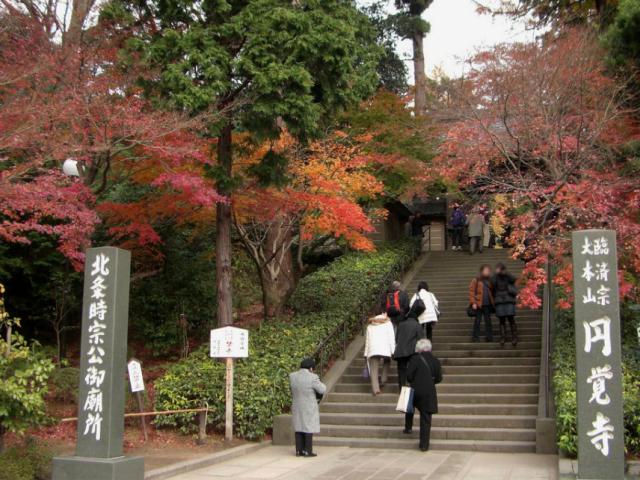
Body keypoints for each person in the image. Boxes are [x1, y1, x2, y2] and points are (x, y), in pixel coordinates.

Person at [406, 339, 443, 451]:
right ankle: (424, 445)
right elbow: (439, 378)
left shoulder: (414, 359)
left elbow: (409, 376)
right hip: (428, 392)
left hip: (416, 390)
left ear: (419, 349)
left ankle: (408, 427)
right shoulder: (435, 361)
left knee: (409, 406)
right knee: (426, 418)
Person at [290, 358, 326, 457]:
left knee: (299, 426)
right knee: (308, 427)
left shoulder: (292, 376)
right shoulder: (313, 377)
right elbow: (322, 389)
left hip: (297, 404)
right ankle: (308, 451)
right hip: (309, 405)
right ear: (311, 368)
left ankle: (298, 451)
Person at [394, 301, 425, 389]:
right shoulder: (417, 325)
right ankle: (412, 388)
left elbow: (396, 338)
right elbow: (421, 340)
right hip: (412, 351)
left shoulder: (401, 325)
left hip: (400, 351)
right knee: (412, 371)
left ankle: (401, 389)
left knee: (401, 371)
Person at [364, 314, 396, 395]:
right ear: (383, 313)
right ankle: (383, 379)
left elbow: (367, 340)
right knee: (387, 361)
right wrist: (393, 351)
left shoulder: (370, 326)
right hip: (385, 348)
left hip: (373, 349)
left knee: (373, 369)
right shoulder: (388, 323)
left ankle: (376, 389)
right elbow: (391, 338)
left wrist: (366, 353)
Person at [493, 262, 518, 346]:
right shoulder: (495, 277)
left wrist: (506, 273)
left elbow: (514, 279)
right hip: (499, 301)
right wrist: (495, 274)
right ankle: (502, 337)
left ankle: (514, 337)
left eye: (500, 269)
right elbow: (492, 284)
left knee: (511, 319)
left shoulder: (508, 276)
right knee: (501, 320)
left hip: (509, 300)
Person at [469, 264, 494, 342]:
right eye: (485, 270)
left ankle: (489, 337)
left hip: (488, 304)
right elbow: (471, 291)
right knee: (477, 321)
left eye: (488, 270)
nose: (487, 272)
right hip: (478, 304)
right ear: (482, 271)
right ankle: (475, 337)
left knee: (488, 321)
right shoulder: (476, 280)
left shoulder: (491, 280)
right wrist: (473, 302)